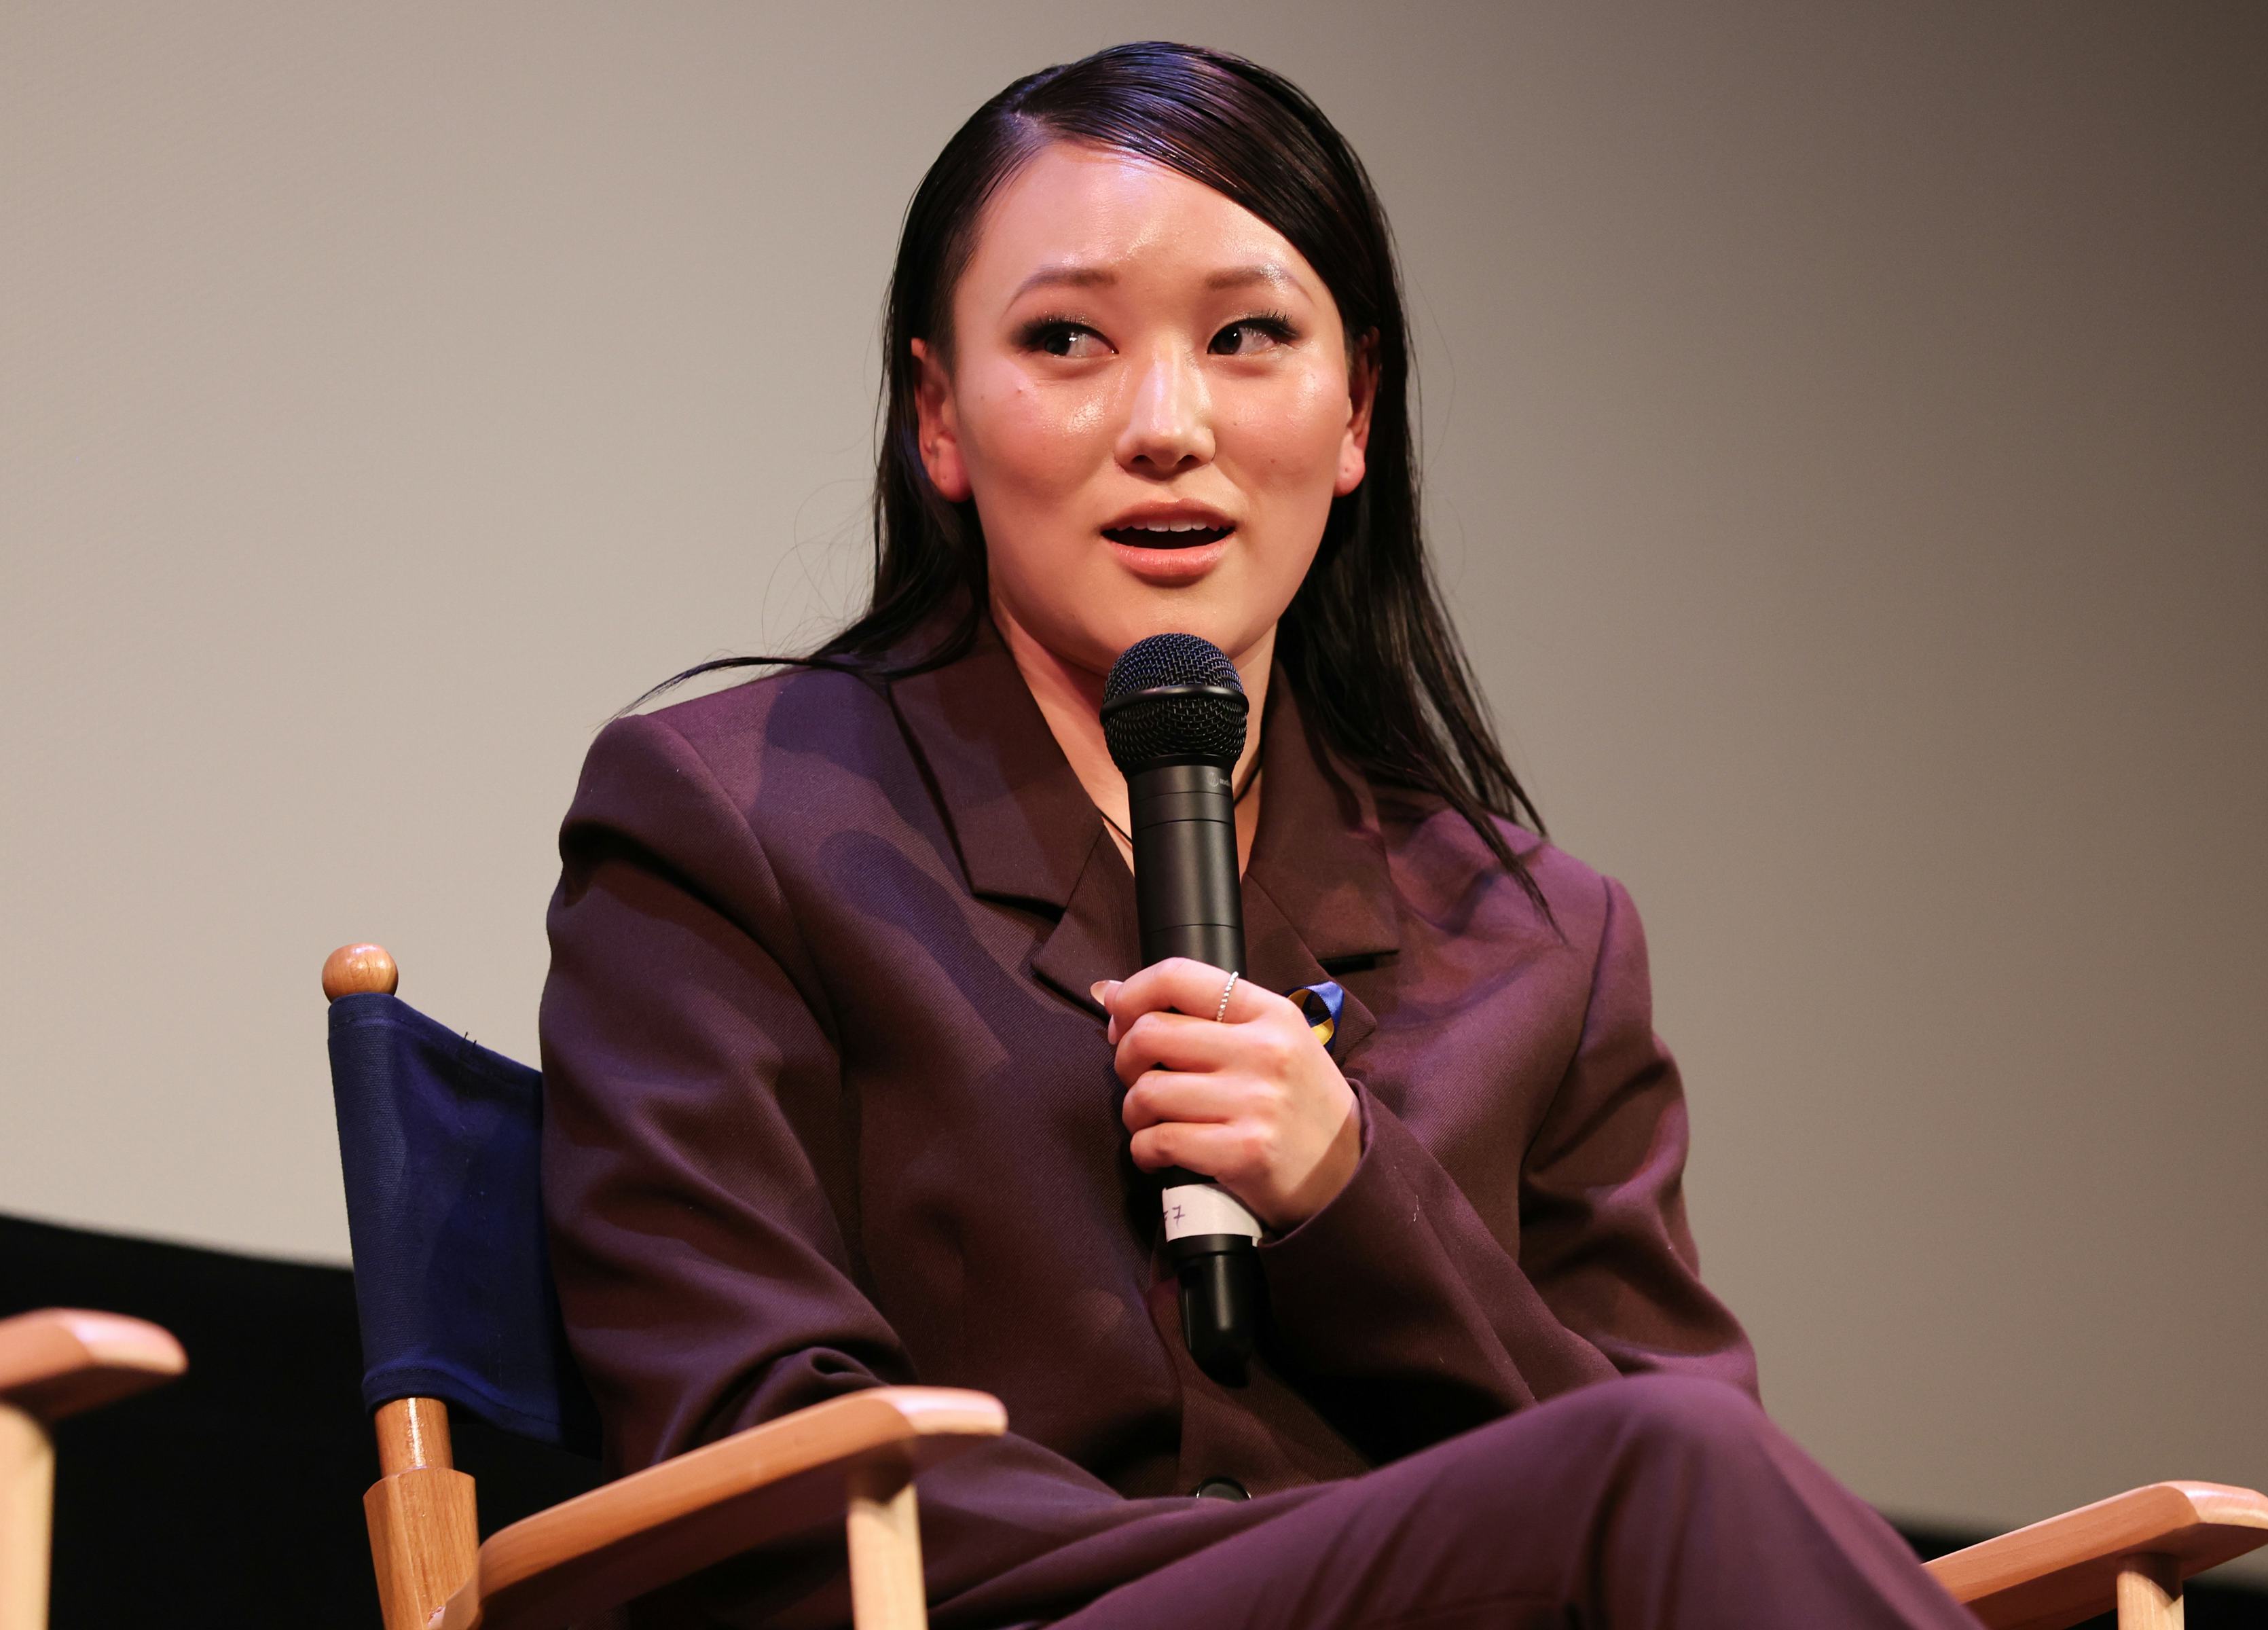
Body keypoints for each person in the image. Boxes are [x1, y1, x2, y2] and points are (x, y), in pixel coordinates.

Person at [541, 40, 1978, 1630]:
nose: (1167, 425)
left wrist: (1354, 1196)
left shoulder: (1541, 941)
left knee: (1683, 1469)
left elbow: (1699, 1481)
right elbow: (747, 1455)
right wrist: (1314, 1562)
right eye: (1067, 339)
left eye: (1247, 339)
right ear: (938, 417)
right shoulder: (734, 818)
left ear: (1357, 410)